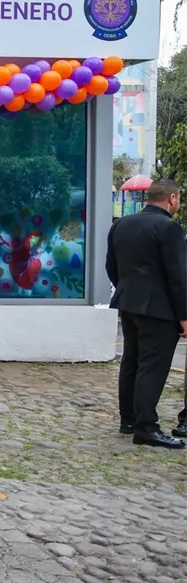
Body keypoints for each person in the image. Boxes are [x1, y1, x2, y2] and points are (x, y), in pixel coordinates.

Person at [107, 179, 187, 448]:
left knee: (131, 361)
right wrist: (184, 315)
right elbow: (178, 276)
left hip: (128, 303)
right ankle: (146, 427)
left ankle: (128, 419)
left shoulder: (122, 224)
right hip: (160, 309)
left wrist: (127, 289)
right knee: (152, 367)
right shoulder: (170, 229)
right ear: (172, 199)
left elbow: (111, 265)